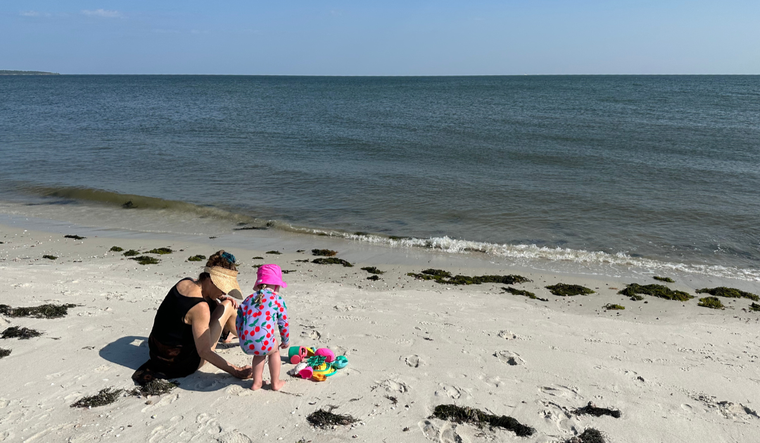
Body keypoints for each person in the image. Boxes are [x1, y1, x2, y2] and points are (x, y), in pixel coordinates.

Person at [132, 251, 252, 384]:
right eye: (223, 288)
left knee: (219, 302)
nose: (224, 292)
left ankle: (231, 332)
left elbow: (199, 297)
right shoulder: (201, 307)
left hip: (157, 354)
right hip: (180, 364)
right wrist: (235, 371)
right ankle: (246, 337)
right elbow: (204, 352)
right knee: (228, 305)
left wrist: (220, 296)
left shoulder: (185, 282)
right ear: (211, 280)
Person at [236, 264, 290, 391]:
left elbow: (238, 321)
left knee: (259, 353)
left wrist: (241, 337)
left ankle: (257, 382)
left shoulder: (248, 299)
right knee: (274, 349)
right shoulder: (277, 300)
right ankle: (275, 383)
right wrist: (285, 340)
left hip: (245, 343)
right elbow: (283, 322)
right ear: (276, 285)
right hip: (263, 343)